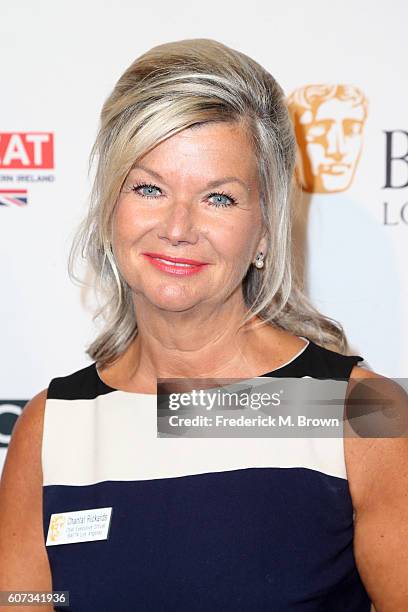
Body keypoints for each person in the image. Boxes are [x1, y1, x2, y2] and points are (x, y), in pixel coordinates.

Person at [0, 38, 407, 612]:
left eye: (219, 198)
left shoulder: (359, 413)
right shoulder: (53, 426)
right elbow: (26, 599)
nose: (178, 226)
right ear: (108, 208)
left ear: (265, 230)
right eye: (149, 188)